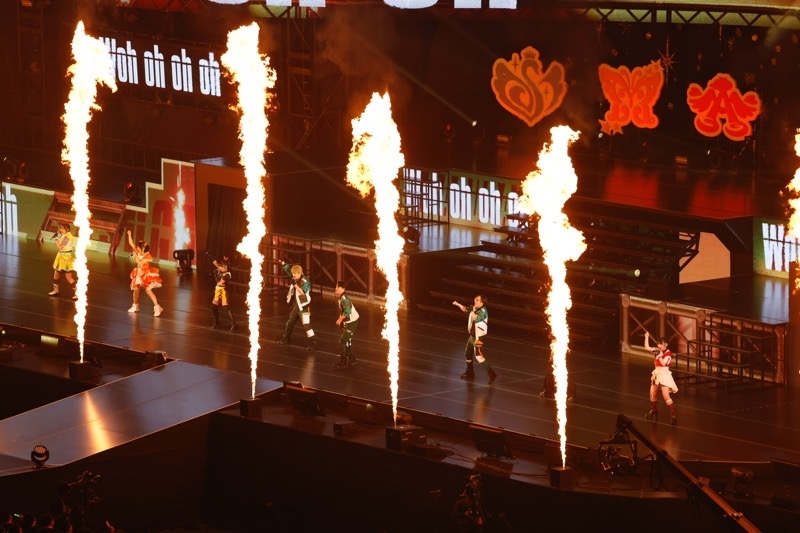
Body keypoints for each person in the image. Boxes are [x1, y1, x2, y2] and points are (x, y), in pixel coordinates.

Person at [453, 295, 497, 384]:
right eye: (475, 299)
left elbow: (476, 319)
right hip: (472, 336)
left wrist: (472, 311)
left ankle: (492, 374)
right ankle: (470, 372)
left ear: (482, 302)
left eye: (477, 300)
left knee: (479, 356)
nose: (475, 301)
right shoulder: (474, 308)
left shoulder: (483, 312)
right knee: (467, 353)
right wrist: (458, 304)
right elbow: (465, 309)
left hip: (478, 337)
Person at [277, 259, 317, 350]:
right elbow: (288, 270)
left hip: (304, 306)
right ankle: (286, 338)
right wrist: (283, 263)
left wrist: (295, 285)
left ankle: (314, 341)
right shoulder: (295, 278)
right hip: (296, 306)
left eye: (295, 273)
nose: (293, 275)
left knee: (306, 325)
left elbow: (303, 292)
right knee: (290, 322)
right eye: (293, 273)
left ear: (300, 273)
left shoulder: (305, 282)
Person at [126, 230, 163, 317]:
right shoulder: (139, 251)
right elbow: (131, 243)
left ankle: (157, 307)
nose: (137, 248)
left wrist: (135, 256)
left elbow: (141, 264)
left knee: (148, 290)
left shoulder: (147, 256)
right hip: (138, 273)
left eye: (139, 247)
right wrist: (129, 235)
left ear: (143, 248)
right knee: (136, 289)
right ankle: (135, 306)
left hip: (145, 273)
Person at [644, 332, 678, 425]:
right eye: (658, 344)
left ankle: (673, 416)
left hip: (664, 374)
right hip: (656, 373)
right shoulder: (657, 350)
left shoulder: (668, 354)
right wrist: (646, 337)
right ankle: (653, 410)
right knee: (652, 394)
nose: (659, 346)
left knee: (666, 396)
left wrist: (659, 356)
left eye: (661, 344)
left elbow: (663, 363)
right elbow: (647, 347)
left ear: (665, 344)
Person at [48, 223, 78, 301]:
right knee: (56, 275)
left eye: (62, 228)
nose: (60, 230)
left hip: (65, 258)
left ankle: (79, 293)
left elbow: (60, 247)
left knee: (69, 278)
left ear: (67, 229)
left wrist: (56, 239)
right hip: (60, 257)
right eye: (60, 228)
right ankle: (56, 290)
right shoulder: (64, 235)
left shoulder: (68, 237)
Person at [333, 280, 359, 368]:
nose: (336, 288)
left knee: (343, 340)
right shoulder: (341, 298)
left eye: (338, 287)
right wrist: (342, 323)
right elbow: (343, 311)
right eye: (336, 286)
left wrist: (339, 320)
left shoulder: (344, 299)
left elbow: (347, 312)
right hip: (349, 322)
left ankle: (343, 361)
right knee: (347, 341)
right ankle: (352, 359)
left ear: (343, 289)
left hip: (352, 322)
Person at [209, 254, 237, 332]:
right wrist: (217, 269)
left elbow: (220, 282)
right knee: (214, 306)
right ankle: (216, 322)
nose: (225, 268)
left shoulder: (227, 274)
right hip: (218, 289)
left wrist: (218, 270)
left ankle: (234, 323)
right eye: (223, 266)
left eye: (225, 267)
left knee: (226, 307)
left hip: (224, 290)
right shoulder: (218, 271)